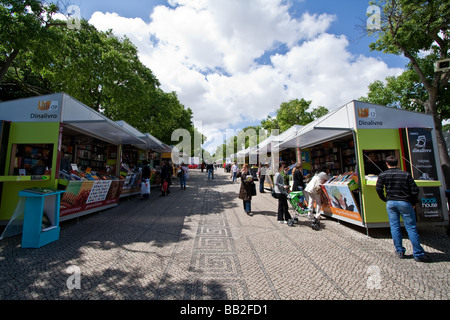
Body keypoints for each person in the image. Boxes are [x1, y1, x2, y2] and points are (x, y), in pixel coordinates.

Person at [375, 156, 429, 262]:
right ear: (397, 163)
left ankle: (399, 250)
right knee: (411, 227)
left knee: (395, 227)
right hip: (404, 202)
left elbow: (379, 188)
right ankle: (418, 253)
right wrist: (413, 202)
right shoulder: (406, 174)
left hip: (391, 202)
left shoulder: (383, 175)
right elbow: (414, 189)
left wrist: (385, 198)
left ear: (387, 164)